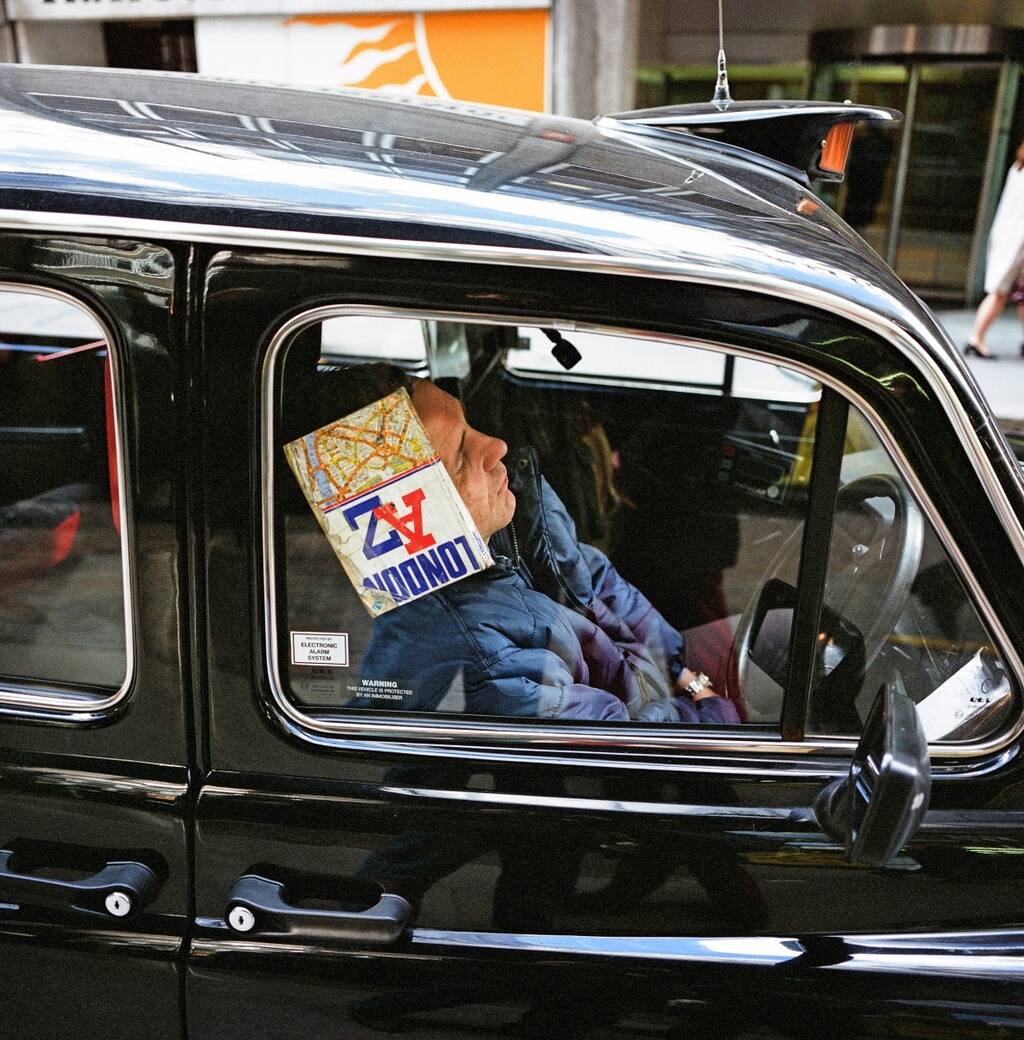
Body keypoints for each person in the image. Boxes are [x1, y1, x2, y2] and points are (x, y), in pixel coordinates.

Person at [300, 362, 739, 726]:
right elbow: (628, 744)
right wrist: (705, 703)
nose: (497, 445)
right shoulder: (485, 658)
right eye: (459, 460)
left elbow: (598, 578)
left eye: (470, 426)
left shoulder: (514, 526)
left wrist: (678, 668)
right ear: (402, 523)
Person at [966, 141, 1024, 360]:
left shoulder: (1017, 168)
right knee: (999, 292)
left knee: (1016, 293)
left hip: (1006, 236)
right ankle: (976, 338)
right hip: (1016, 241)